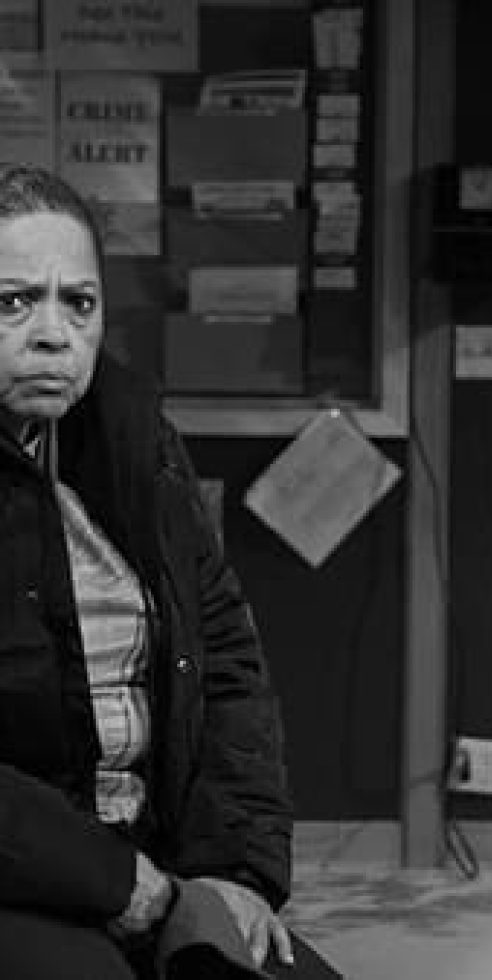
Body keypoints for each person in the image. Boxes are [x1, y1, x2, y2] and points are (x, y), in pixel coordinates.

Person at [0, 165, 328, 980]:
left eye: (79, 303)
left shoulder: (134, 441)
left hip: (156, 857)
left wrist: (232, 869)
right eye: (13, 302)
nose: (53, 334)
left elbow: (226, 661)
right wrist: (117, 883)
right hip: (29, 871)